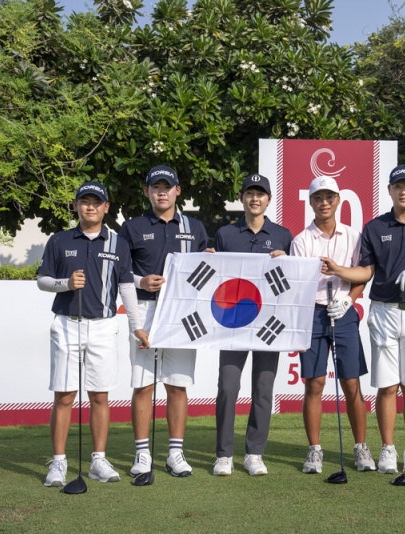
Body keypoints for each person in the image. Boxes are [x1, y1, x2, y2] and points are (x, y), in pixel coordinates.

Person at [321, 164, 405, 475]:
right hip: (383, 311)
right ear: (390, 191)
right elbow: (366, 272)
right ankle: (388, 449)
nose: (403, 191)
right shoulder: (375, 227)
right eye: (398, 186)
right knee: (387, 385)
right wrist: (340, 271)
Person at [37, 181, 150, 487]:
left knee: (100, 396)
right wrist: (65, 283)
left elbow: (126, 286)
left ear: (105, 208)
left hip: (103, 325)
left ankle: (98, 459)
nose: (90, 207)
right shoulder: (59, 240)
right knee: (64, 396)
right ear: (76, 206)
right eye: (84, 202)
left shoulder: (118, 243)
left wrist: (135, 326)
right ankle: (58, 463)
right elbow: (42, 280)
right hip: (66, 323)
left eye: (96, 202)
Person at [119, 165, 209, 478]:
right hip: (146, 309)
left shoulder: (195, 227)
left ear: (177, 191)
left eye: (167, 187)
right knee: (143, 385)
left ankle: (175, 453)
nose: (162, 192)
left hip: (183, 315)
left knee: (177, 385)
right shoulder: (131, 228)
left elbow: (205, 274)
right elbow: (119, 275)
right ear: (146, 192)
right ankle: (142, 454)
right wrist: (142, 281)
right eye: (155, 187)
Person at [290, 176, 376, 474]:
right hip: (312, 313)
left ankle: (361, 446)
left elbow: (363, 274)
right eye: (318, 198)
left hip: (344, 311)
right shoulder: (301, 241)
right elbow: (298, 284)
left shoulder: (353, 236)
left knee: (351, 381)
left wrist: (349, 298)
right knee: (314, 382)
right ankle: (314, 450)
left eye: (329, 197)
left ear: (338, 200)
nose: (324, 202)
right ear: (311, 202)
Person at [212, 173, 293, 476]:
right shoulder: (226, 234)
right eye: (249, 193)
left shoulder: (283, 235)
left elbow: (291, 282)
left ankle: (254, 453)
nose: (254, 199)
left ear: (269, 199)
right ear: (242, 198)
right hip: (233, 323)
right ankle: (224, 454)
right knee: (228, 387)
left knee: (262, 389)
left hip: (269, 324)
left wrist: (288, 260)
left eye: (260, 194)